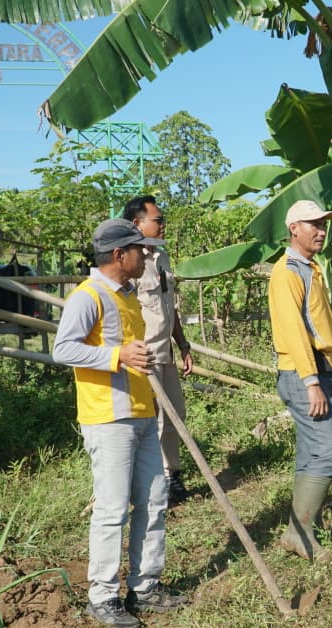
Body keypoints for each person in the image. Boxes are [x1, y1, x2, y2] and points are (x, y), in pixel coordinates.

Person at [53, 218, 188, 628]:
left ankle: (145, 585)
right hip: (109, 416)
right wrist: (117, 357)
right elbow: (63, 349)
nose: (145, 255)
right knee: (113, 509)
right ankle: (103, 596)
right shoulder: (87, 296)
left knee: (154, 499)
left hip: (143, 410)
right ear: (118, 255)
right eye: (139, 250)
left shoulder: (127, 295)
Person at [269, 199, 332, 562]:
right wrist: (311, 381)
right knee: (330, 448)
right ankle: (300, 531)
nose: (320, 229)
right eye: (312, 224)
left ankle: (298, 531)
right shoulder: (287, 271)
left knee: (311, 451)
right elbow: (294, 330)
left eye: (323, 223)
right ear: (293, 229)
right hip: (305, 372)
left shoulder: (309, 268)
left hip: (320, 368)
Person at [122, 196, 195, 504]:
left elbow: (169, 307)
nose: (163, 224)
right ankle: (150, 482)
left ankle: (172, 475)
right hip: (143, 355)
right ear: (137, 224)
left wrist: (183, 343)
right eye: (158, 219)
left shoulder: (160, 258)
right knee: (153, 418)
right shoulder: (129, 262)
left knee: (175, 414)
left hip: (164, 351)